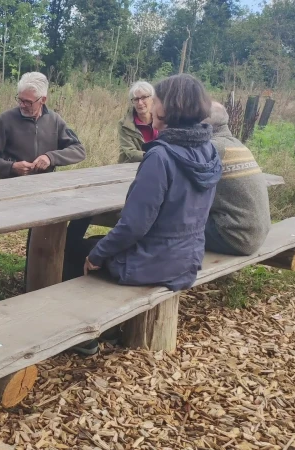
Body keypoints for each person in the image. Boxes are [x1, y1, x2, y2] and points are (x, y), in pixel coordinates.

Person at [68, 74, 222, 356]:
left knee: (76, 249)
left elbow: (133, 226)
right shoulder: (209, 149)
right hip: (188, 258)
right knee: (97, 244)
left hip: (154, 262)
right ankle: (109, 327)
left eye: (156, 100)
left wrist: (97, 255)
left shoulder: (160, 157)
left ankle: (87, 333)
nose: (151, 107)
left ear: (167, 108)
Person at [0, 71, 87, 293]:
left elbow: (79, 150)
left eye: (28, 102)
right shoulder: (5, 120)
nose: (22, 105)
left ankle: (46, 278)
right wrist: (12, 167)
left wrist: (51, 157)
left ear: (43, 100)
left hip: (47, 193)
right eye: (20, 99)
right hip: (12, 192)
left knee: (81, 215)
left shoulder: (54, 120)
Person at [202, 102, 271, 255]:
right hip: (255, 233)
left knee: (172, 225)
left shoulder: (211, 149)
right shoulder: (237, 145)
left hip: (234, 237)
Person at [118, 80, 159, 163]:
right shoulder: (124, 124)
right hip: (131, 168)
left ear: (152, 99)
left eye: (144, 98)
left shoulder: (162, 119)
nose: (140, 103)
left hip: (159, 163)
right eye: (136, 99)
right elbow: (130, 152)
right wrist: (154, 156)